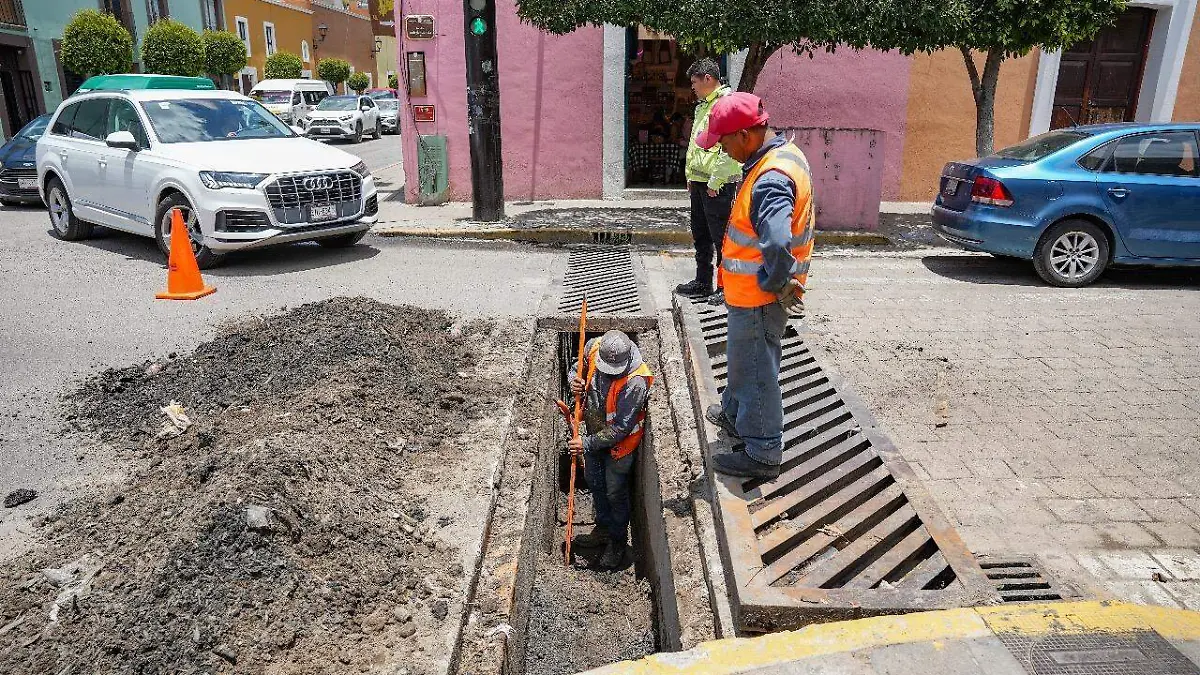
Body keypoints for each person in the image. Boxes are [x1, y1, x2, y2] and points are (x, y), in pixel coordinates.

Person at [695, 92, 813, 479]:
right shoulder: (783, 157)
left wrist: (776, 282)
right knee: (744, 359)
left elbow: (777, 242)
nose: (723, 150)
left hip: (758, 296)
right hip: (752, 294)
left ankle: (762, 450)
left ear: (746, 134)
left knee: (757, 369)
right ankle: (734, 414)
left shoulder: (770, 179)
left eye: (725, 142)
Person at [567, 330, 654, 569]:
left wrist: (586, 443)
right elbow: (577, 368)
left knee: (615, 493)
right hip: (596, 436)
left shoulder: (635, 381)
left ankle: (617, 543)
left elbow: (621, 428)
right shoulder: (595, 348)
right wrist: (575, 381)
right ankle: (603, 529)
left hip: (620, 448)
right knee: (595, 483)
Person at [676, 58, 742, 303]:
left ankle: (727, 288)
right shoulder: (703, 105)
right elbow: (698, 144)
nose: (691, 87)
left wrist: (716, 181)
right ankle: (703, 282)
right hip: (701, 182)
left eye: (694, 82)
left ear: (708, 79)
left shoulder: (725, 105)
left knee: (721, 238)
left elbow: (730, 150)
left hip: (718, 185)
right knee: (701, 235)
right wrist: (691, 176)